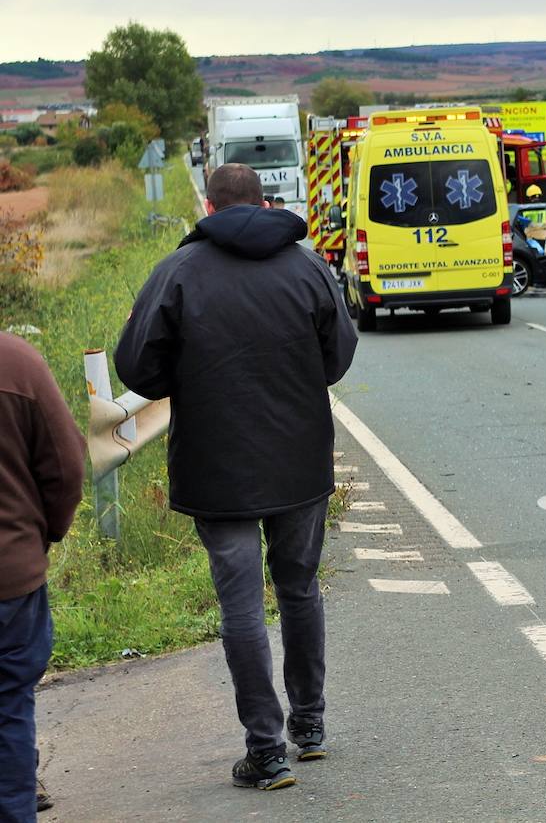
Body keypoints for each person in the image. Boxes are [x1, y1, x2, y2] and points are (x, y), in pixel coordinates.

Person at [115, 163, 358, 792]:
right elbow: (338, 356)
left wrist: (188, 382)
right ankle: (310, 727)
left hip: (216, 466)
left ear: (209, 205)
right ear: (265, 203)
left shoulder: (179, 272)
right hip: (300, 459)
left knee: (242, 606)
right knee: (299, 587)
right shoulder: (305, 267)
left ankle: (266, 752)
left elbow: (138, 367)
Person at [0, 333, 84, 823]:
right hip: (11, 576)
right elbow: (65, 467)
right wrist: (44, 534)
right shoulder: (17, 362)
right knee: (9, 707)